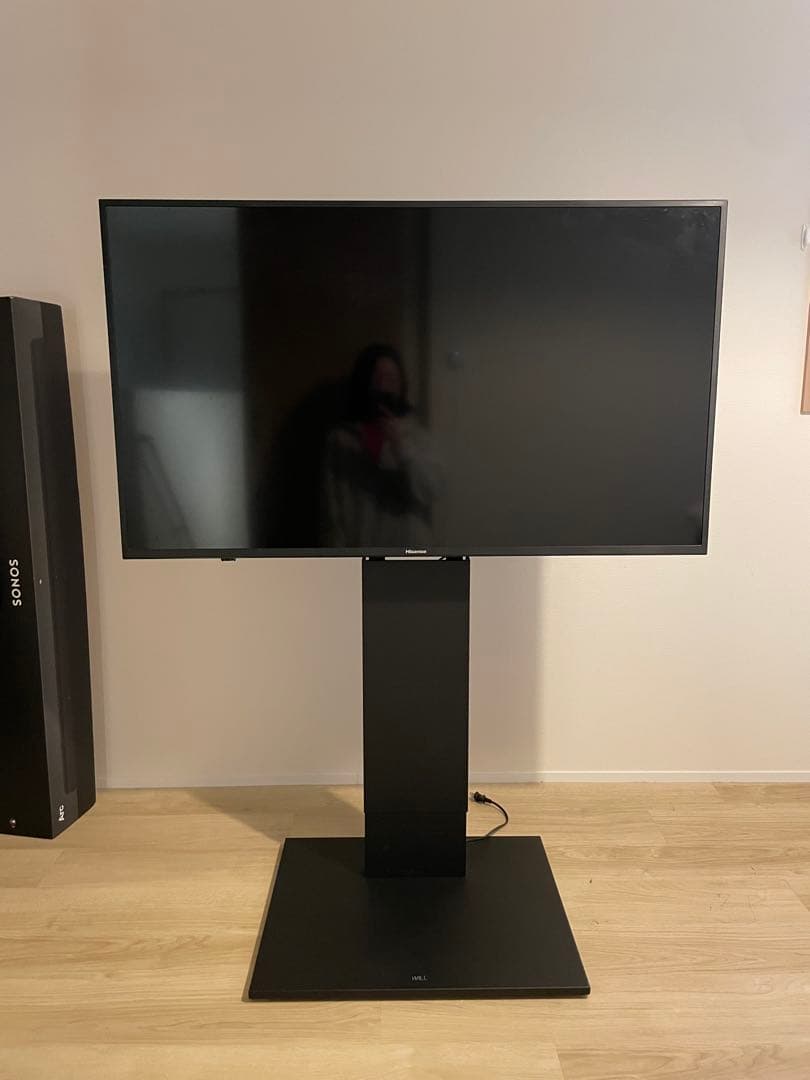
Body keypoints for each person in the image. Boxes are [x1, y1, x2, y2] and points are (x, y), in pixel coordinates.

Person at [322, 344, 441, 548]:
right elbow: (332, 510)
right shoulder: (340, 440)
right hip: (360, 553)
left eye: (391, 379)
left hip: (411, 553)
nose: (384, 387)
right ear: (364, 382)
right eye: (377, 378)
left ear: (401, 386)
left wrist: (400, 446)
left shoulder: (418, 437)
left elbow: (432, 490)